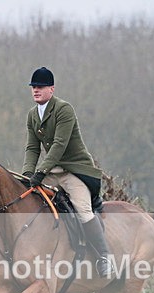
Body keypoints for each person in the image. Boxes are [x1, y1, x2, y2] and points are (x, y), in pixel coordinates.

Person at [22, 66, 113, 277]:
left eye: (41, 87)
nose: (36, 90)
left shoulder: (64, 109)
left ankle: (104, 257)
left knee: (83, 210)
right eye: (33, 87)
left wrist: (41, 171)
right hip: (52, 171)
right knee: (31, 201)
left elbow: (59, 145)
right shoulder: (32, 115)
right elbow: (32, 148)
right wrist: (27, 174)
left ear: (51, 89)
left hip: (74, 170)